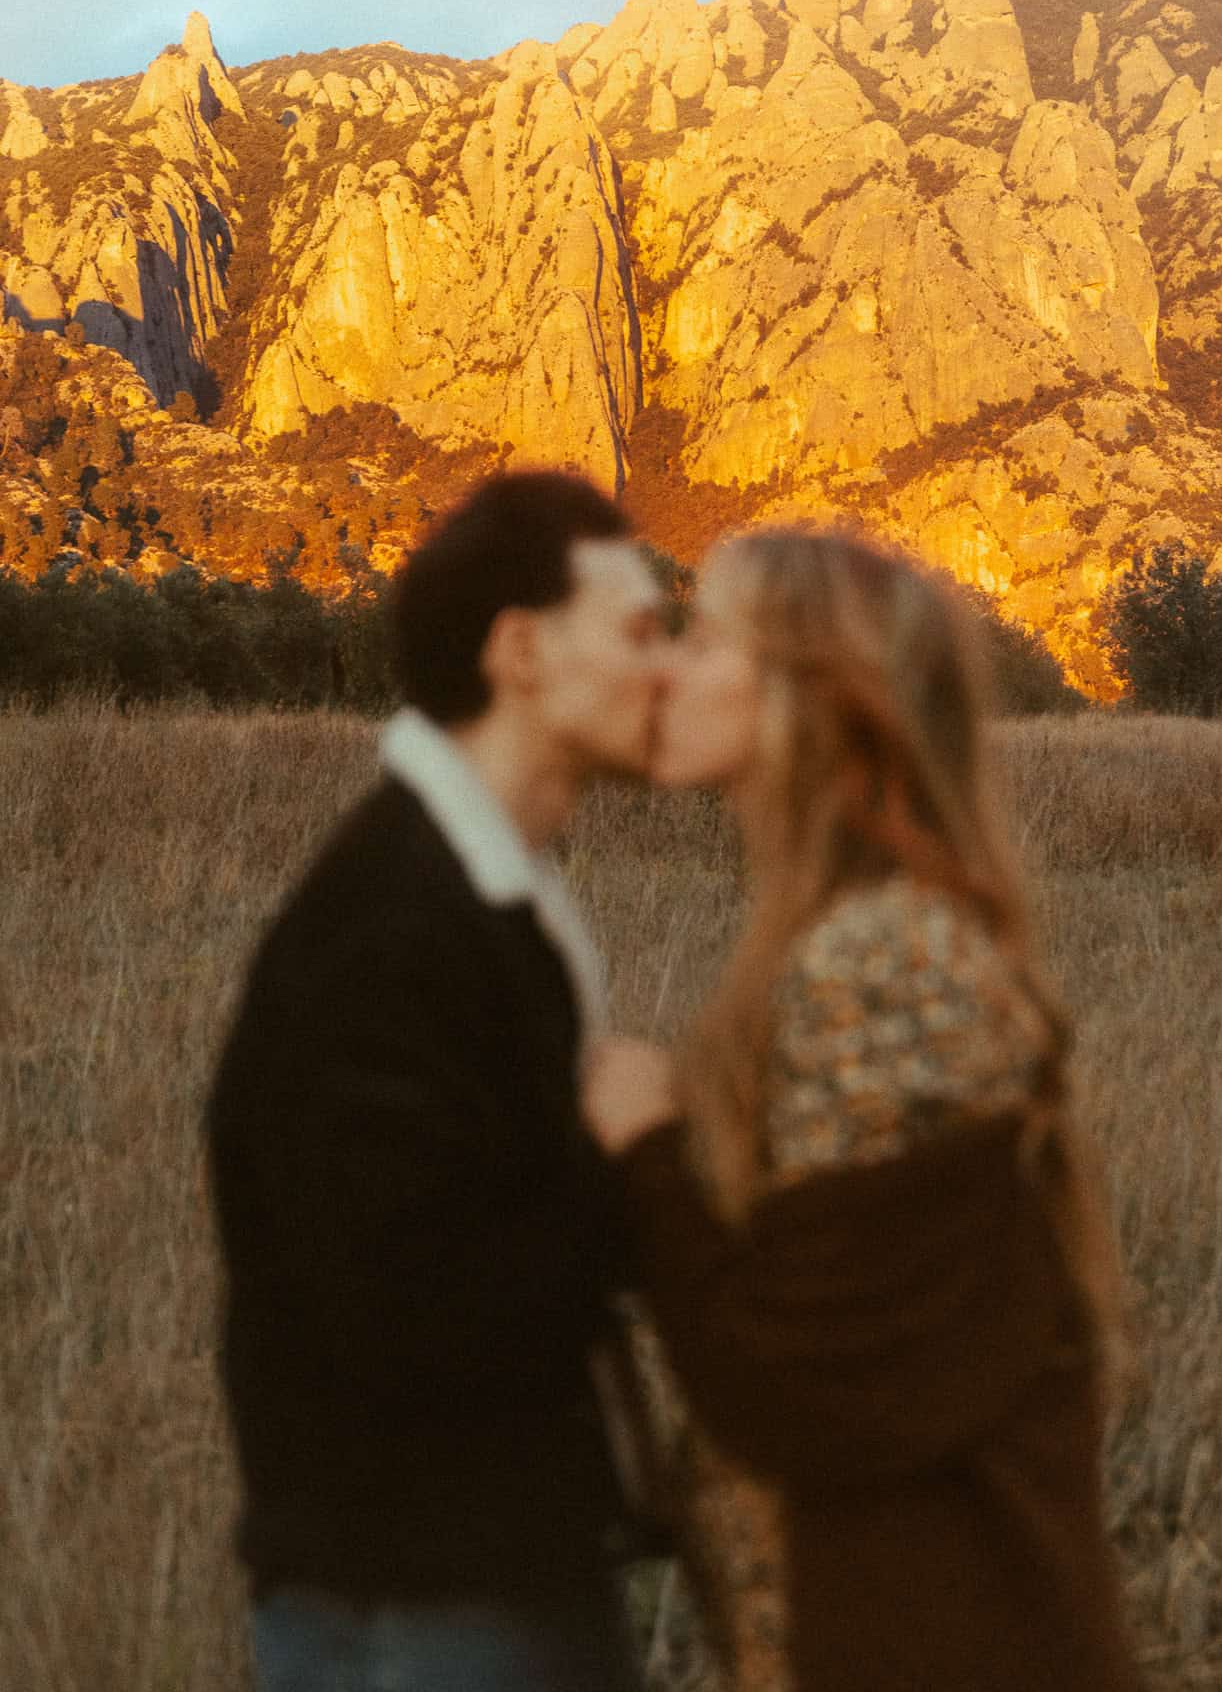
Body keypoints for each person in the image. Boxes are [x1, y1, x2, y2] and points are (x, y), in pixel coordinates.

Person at [583, 529, 1144, 1692]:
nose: (666, 669)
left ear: (813, 694)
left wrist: (644, 1146)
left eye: (704, 638)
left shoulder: (883, 962)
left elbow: (801, 1384)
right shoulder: (860, 940)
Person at [207, 470, 667, 1692]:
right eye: (636, 629)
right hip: (418, 1609)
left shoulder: (480, 891)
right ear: (520, 651)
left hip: (475, 1579)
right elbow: (403, 1309)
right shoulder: (393, 928)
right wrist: (624, 1162)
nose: (664, 666)